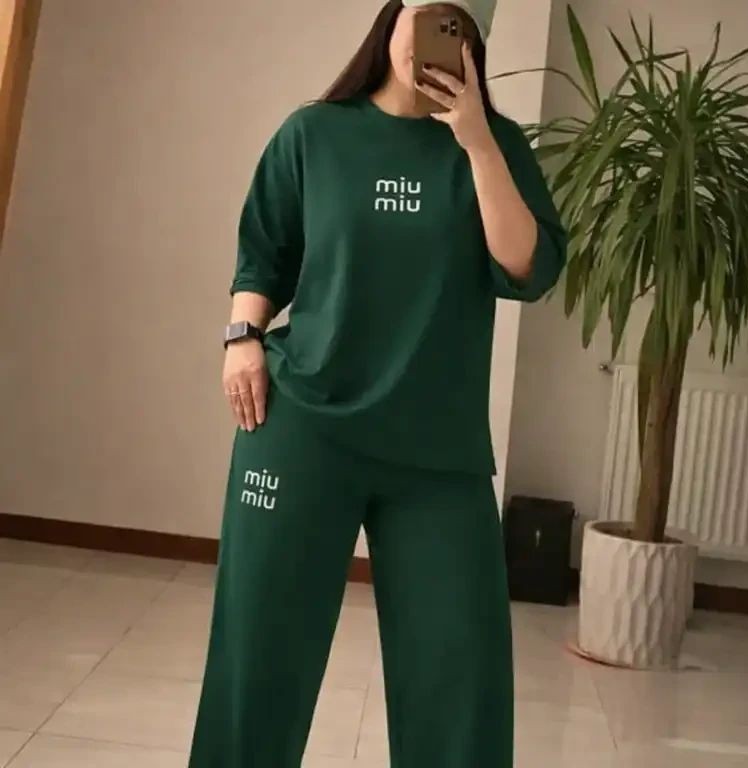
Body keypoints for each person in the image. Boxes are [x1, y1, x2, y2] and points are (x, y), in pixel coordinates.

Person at [188, 0, 566, 765]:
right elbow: (264, 251)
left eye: (454, 25)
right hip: (304, 429)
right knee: (258, 656)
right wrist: (241, 340)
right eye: (424, 16)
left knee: (461, 681)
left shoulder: (496, 146)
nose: (431, 39)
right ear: (391, 19)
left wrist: (475, 141)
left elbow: (528, 267)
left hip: (437, 452)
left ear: (473, 45)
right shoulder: (314, 133)